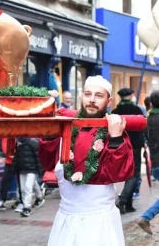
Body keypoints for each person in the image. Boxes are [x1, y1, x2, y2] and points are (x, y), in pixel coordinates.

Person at [39, 75, 134, 246]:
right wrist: (49, 134)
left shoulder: (114, 130)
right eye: (87, 94)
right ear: (81, 96)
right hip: (66, 222)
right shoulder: (65, 127)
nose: (92, 100)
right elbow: (46, 164)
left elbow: (119, 173)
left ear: (109, 101)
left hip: (100, 224)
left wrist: (116, 138)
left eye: (99, 96)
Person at [113, 87, 145, 213]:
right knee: (134, 174)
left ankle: (129, 204)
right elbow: (143, 126)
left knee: (127, 172)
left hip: (121, 145)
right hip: (135, 146)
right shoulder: (137, 109)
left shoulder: (115, 111)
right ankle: (123, 200)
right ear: (131, 96)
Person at [136, 90, 159, 235]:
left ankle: (146, 217)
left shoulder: (148, 118)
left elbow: (144, 137)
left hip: (156, 162)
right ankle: (146, 217)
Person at [13, 138, 44, 217]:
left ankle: (27, 208)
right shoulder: (18, 143)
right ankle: (39, 196)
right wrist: (14, 168)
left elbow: (38, 157)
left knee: (28, 187)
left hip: (31, 169)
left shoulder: (32, 143)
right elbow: (16, 157)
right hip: (22, 169)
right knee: (23, 188)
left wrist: (40, 170)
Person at [0, 138, 23, 213]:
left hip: (20, 161)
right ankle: (2, 200)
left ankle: (22, 202)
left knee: (21, 183)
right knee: (5, 181)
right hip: (9, 162)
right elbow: (4, 147)